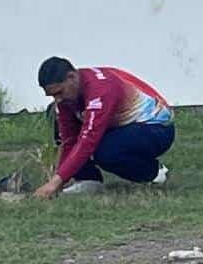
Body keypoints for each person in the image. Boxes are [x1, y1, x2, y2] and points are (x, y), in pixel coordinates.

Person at [33, 57, 175, 199]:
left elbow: (88, 141)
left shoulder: (100, 91)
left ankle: (155, 173)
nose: (57, 99)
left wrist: (55, 182)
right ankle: (88, 179)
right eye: (52, 95)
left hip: (157, 128)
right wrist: (59, 179)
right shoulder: (69, 94)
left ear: (71, 77)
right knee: (57, 118)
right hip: (122, 126)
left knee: (106, 152)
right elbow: (69, 141)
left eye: (59, 92)